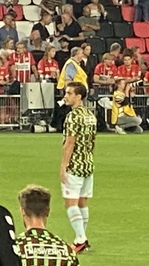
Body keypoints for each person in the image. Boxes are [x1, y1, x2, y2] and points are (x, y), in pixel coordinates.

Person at [60, 81, 95, 254]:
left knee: (71, 202)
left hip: (75, 164)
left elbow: (70, 142)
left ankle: (81, 239)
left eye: (69, 93)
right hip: (88, 163)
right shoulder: (90, 115)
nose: (66, 96)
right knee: (83, 202)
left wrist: (63, 165)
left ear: (78, 96)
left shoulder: (73, 116)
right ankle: (81, 238)